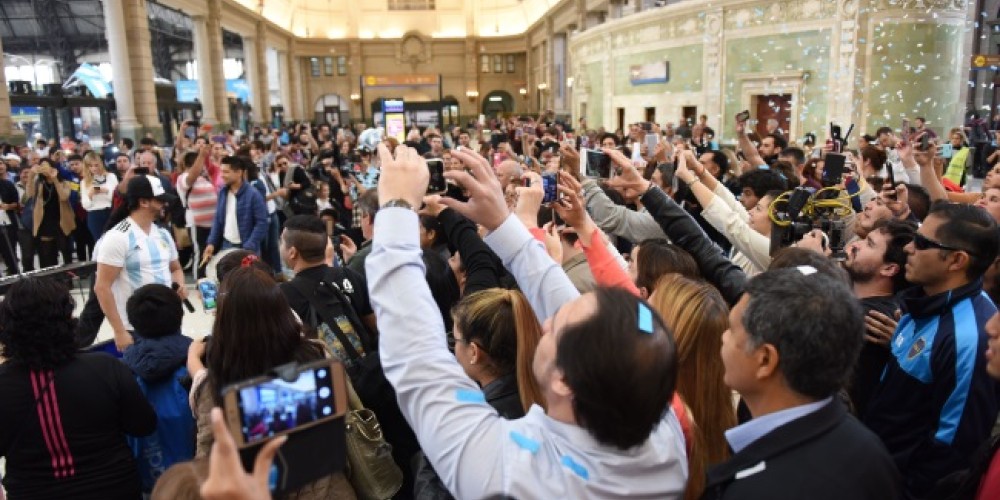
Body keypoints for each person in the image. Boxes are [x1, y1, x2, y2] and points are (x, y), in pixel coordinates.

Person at [368, 143, 688, 498]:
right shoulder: (660, 434)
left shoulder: (515, 476)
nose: (546, 321)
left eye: (556, 326)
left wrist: (395, 209)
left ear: (565, 380)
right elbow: (562, 300)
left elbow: (417, 361)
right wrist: (503, 223)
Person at [704, 267, 899, 498]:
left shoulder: (756, 490)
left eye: (732, 330)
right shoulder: (871, 450)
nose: (723, 338)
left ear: (765, 359)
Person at [863, 202, 1000, 497]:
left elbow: (952, 449)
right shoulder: (921, 301)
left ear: (956, 260)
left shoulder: (970, 338)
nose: (909, 248)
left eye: (923, 243)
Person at [186, 267, 355, 498]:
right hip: (329, 489)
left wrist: (196, 368)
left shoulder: (218, 385)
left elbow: (208, 460)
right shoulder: (314, 356)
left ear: (225, 320)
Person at [0, 277, 157, 500]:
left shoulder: (4, 384)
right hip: (114, 487)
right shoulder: (106, 367)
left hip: (34, 491)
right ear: (67, 319)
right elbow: (143, 425)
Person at [414, 288, 546, 499]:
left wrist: (432, 448)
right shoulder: (551, 394)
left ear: (474, 353)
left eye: (454, 340)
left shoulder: (466, 428)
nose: (452, 348)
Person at [93, 175, 187, 352]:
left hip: (169, 322)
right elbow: (102, 287)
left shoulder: (163, 233)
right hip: (136, 328)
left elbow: (175, 268)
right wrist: (119, 331)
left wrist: (180, 283)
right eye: (160, 201)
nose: (164, 205)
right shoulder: (117, 237)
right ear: (143, 202)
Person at [122, 283, 195, 493]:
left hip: (147, 484)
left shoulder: (120, 372)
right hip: (198, 482)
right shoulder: (201, 362)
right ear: (179, 316)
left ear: (134, 322)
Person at [202, 156, 269, 264]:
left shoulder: (253, 195)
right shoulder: (223, 192)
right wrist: (211, 243)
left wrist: (249, 245)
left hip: (247, 248)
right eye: (221, 171)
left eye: (226, 172)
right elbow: (218, 220)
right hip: (226, 245)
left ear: (239, 173)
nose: (222, 175)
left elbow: (262, 223)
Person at [28, 158, 75, 267]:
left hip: (61, 220)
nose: (44, 168)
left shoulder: (65, 182)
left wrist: (55, 180)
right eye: (41, 166)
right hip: (44, 221)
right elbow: (30, 195)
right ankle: (51, 281)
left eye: (46, 165)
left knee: (65, 251)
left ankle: (68, 280)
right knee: (47, 254)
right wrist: (31, 176)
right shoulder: (39, 183)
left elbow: (64, 197)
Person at [79, 151, 118, 241]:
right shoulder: (84, 182)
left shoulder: (111, 176)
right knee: (100, 243)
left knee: (113, 242)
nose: (94, 168)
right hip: (94, 215)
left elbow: (113, 196)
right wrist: (91, 194)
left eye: (96, 165)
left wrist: (97, 190)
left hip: (110, 212)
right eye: (90, 166)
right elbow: (86, 205)